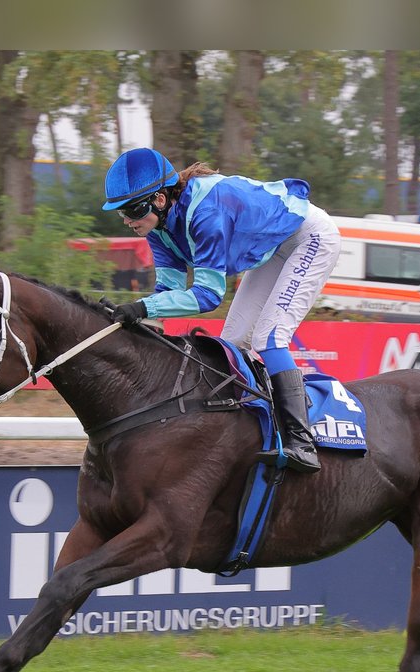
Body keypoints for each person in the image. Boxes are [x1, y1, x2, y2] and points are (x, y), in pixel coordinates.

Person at [102, 147, 341, 474]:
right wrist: (132, 318)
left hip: (309, 238)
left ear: (159, 199)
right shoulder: (158, 228)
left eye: (131, 210)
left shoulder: (206, 212)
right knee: (233, 343)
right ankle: (254, 427)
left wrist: (141, 307)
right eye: (121, 214)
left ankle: (302, 442)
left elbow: (207, 296)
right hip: (274, 249)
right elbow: (168, 293)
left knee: (269, 338)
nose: (127, 220)